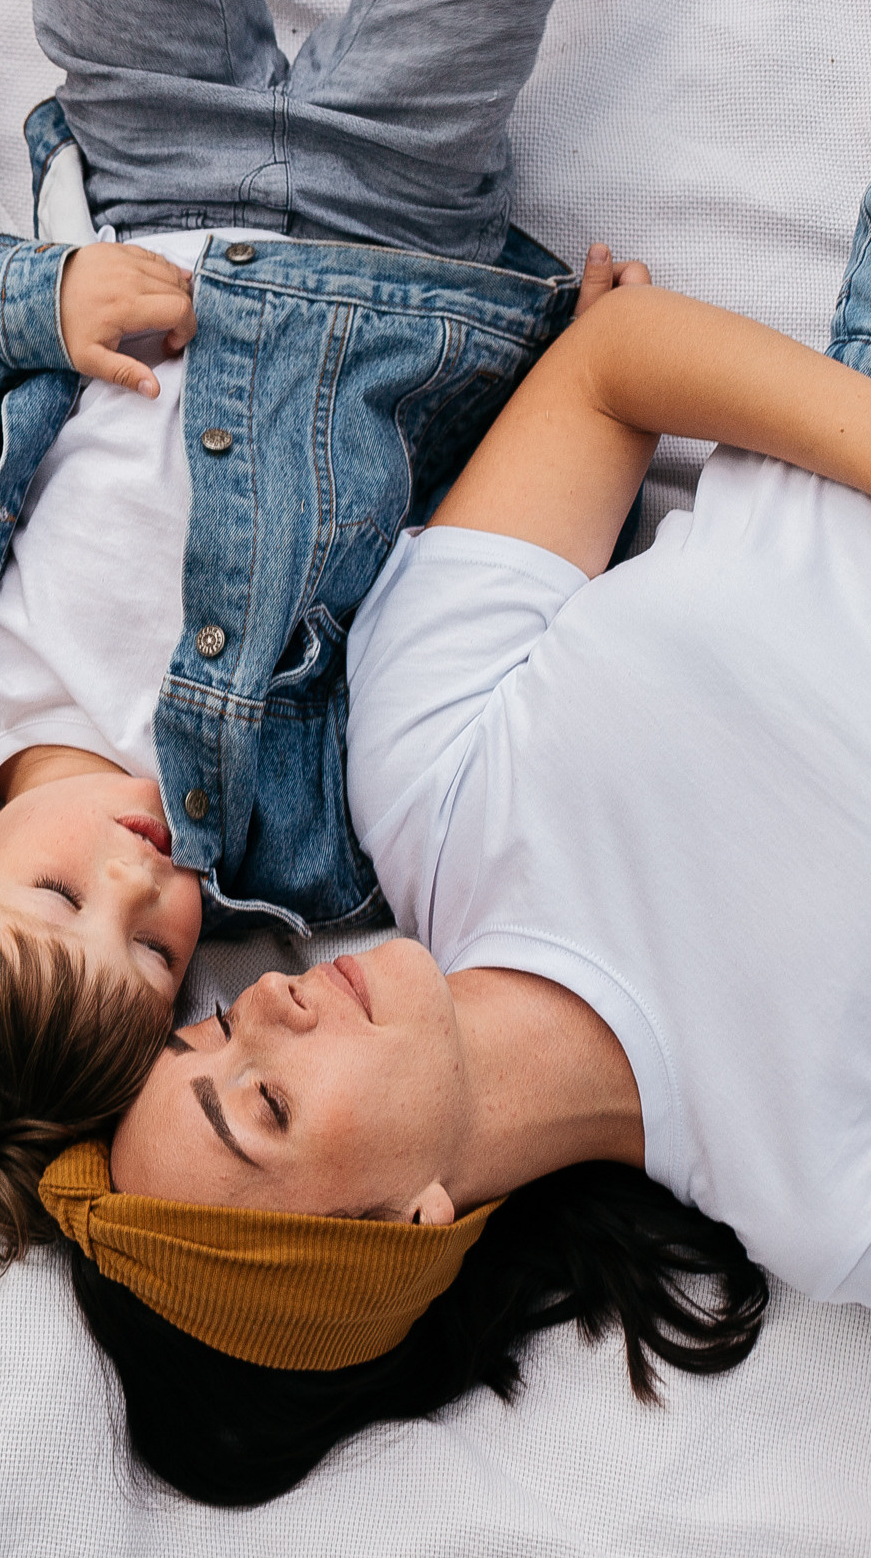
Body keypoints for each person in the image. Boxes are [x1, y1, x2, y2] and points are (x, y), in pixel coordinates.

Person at [0, 0, 625, 1267]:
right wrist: (571, 384)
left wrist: (39, 300)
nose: (136, 878)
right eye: (149, 957)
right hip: (393, 235)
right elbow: (464, 598)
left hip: (150, 166)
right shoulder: (300, 842)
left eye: (62, 890)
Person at [61, 183, 871, 1504]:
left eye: (205, 1033)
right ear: (399, 1233)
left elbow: (612, 369)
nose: (260, 999)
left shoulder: (421, 788)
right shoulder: (825, 1204)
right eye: (263, 1102)